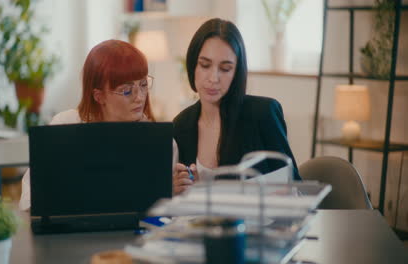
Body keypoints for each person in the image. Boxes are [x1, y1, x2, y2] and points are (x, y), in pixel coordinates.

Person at [19, 39, 178, 210]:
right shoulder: (64, 126)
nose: (140, 97)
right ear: (98, 96)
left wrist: (173, 193)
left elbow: (165, 211)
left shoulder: (161, 142)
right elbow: (29, 199)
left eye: (143, 85)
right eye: (127, 90)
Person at [172, 18, 301, 194]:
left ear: (237, 73)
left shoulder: (263, 114)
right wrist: (178, 190)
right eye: (205, 65)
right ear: (192, 65)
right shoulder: (182, 124)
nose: (213, 78)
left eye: (225, 69)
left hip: (264, 221)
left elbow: (295, 189)